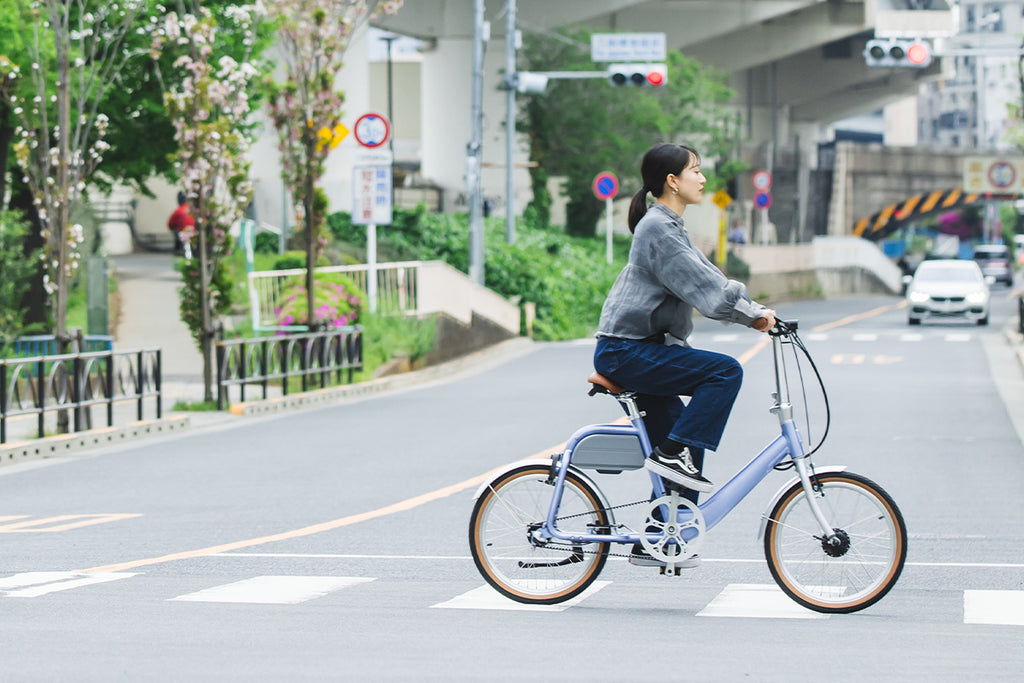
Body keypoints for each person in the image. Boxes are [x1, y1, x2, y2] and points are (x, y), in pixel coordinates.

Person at [593, 143, 776, 563]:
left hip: (641, 350)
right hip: (626, 351)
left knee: (688, 452)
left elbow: (709, 274)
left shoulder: (669, 226)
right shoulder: (657, 228)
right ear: (672, 181)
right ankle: (671, 457)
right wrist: (752, 317)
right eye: (695, 170)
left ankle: (656, 539)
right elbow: (704, 289)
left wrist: (757, 311)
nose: (703, 178)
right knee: (724, 373)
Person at [167, 191, 194, 256]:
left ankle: (179, 251)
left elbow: (170, 224)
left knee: (178, 235)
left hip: (184, 232)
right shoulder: (193, 209)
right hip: (194, 231)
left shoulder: (179, 210)